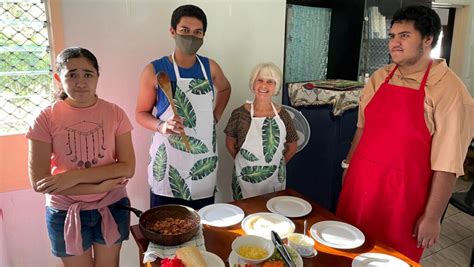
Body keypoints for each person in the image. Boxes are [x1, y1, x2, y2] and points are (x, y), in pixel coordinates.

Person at [336, 5, 474, 262]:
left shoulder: (449, 90)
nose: (394, 43)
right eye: (392, 36)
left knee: (391, 258)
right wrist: (348, 166)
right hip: (360, 184)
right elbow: (362, 129)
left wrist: (432, 216)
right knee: (344, 250)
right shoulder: (380, 77)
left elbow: (448, 163)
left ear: (428, 39)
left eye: (404, 36)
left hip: (403, 197)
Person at [27, 47, 135, 267]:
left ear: (97, 77)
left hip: (111, 206)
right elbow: (39, 182)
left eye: (88, 74)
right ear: (59, 78)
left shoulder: (115, 113)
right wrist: (96, 186)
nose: (81, 81)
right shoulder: (45, 117)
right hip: (65, 212)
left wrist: (72, 178)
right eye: (72, 74)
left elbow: (127, 168)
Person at [136, 5, 231, 210]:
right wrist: (161, 125)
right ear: (173, 31)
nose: (191, 37)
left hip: (202, 164)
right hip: (168, 164)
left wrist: (215, 116)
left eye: (197, 32)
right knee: (165, 228)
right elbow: (140, 113)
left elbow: (225, 89)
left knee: (202, 225)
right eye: (184, 30)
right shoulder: (155, 70)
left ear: (204, 35)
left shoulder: (210, 67)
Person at [224, 63, 298, 200]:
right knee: (246, 215)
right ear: (253, 83)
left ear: (276, 86)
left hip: (275, 179)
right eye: (260, 80)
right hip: (244, 178)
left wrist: (277, 165)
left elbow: (293, 146)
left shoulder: (284, 115)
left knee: (273, 215)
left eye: (270, 81)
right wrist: (244, 163)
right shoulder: (239, 114)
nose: (264, 85)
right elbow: (229, 143)